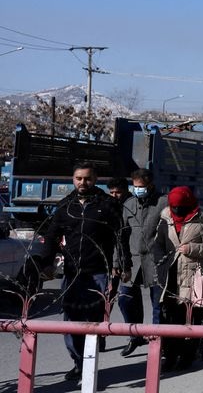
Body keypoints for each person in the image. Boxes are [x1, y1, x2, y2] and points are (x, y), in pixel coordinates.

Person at [29, 162, 129, 382]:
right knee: (71, 321)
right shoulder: (66, 206)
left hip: (99, 272)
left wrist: (122, 264)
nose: (83, 182)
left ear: (95, 180)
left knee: (92, 321)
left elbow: (120, 236)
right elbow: (52, 235)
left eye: (88, 178)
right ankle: (78, 361)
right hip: (73, 272)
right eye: (78, 178)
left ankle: (89, 367)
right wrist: (45, 263)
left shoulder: (108, 204)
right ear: (73, 179)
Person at [154, 186, 203, 372]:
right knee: (170, 319)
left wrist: (192, 249)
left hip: (194, 275)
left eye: (180, 207)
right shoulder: (165, 218)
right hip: (170, 276)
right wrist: (160, 261)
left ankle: (188, 356)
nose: (176, 211)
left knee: (191, 318)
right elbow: (157, 243)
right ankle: (170, 355)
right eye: (174, 207)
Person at [117, 168, 167, 358]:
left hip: (156, 261)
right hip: (132, 261)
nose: (138, 190)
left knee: (158, 305)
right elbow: (121, 235)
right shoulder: (129, 204)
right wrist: (119, 262)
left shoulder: (163, 202)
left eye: (141, 187)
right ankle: (135, 336)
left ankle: (157, 341)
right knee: (125, 299)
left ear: (150, 186)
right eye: (135, 186)